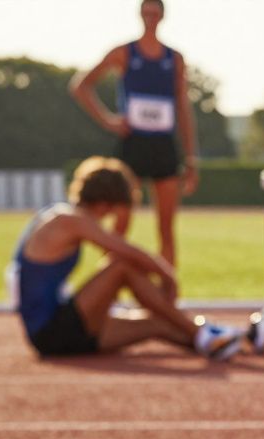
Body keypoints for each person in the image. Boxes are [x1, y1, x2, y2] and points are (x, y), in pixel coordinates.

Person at [10, 157, 264, 360]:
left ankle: (238, 339)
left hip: (57, 333)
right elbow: (126, 252)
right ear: (106, 203)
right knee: (121, 268)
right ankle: (203, 333)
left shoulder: (59, 215)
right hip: (52, 332)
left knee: (158, 325)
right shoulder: (69, 220)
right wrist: (167, 276)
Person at [70, 0, 197, 268]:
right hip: (133, 145)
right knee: (121, 222)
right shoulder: (124, 53)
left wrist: (191, 157)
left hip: (164, 144)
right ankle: (107, 289)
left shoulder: (174, 59)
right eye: (146, 12)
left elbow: (183, 108)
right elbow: (81, 86)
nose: (150, 17)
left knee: (166, 227)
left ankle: (167, 297)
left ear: (163, 16)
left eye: (155, 12)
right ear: (140, 14)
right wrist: (108, 120)